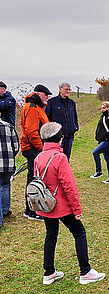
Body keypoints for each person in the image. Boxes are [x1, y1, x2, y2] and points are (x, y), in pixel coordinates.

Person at [35, 122, 105, 285]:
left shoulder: (39, 157)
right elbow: (69, 186)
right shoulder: (60, 158)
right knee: (79, 232)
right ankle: (85, 272)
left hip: (45, 204)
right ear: (59, 139)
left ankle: (49, 273)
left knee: (50, 235)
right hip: (61, 206)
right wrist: (77, 209)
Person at [21, 84, 51, 221]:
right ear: (39, 94)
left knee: (34, 178)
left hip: (33, 148)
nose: (48, 97)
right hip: (33, 149)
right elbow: (32, 132)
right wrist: (41, 148)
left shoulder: (36, 106)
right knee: (34, 180)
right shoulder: (32, 108)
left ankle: (30, 210)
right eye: (46, 95)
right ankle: (33, 211)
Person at [45, 82, 79, 160]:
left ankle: (65, 172)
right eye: (66, 89)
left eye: (69, 89)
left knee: (66, 159)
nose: (68, 91)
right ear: (60, 90)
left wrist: (75, 127)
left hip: (69, 136)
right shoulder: (51, 102)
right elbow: (46, 119)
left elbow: (75, 117)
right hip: (57, 137)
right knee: (56, 159)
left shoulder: (72, 103)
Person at [90, 101, 109, 183]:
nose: (102, 109)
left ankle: (99, 172)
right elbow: (99, 126)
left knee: (95, 152)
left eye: (104, 108)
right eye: (102, 108)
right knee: (108, 159)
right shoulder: (103, 116)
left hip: (108, 140)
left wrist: (105, 135)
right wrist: (97, 136)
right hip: (102, 140)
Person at [0, 112, 19, 228]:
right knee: (6, 185)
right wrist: (10, 156)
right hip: (7, 164)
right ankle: (5, 210)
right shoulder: (8, 126)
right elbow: (16, 146)